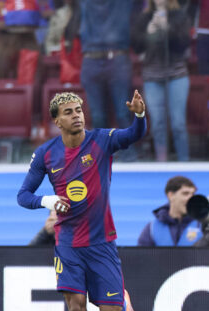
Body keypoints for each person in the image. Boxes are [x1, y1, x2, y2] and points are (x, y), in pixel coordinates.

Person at [17, 90, 146, 311]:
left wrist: (139, 115)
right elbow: (23, 196)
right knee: (76, 306)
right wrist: (47, 201)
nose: (76, 115)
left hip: (101, 242)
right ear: (56, 121)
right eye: (69, 112)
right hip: (68, 243)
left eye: (79, 110)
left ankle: (123, 304)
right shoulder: (46, 154)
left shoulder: (101, 140)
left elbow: (134, 134)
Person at [131, 0, 192, 162]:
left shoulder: (179, 16)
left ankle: (184, 162)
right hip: (152, 76)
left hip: (177, 74)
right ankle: (161, 162)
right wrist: (147, 34)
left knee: (178, 124)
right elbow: (136, 46)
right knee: (157, 124)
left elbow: (184, 43)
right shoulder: (144, 18)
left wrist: (167, 28)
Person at [79, 0, 137, 161]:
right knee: (97, 115)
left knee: (122, 112)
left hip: (117, 57)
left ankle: (129, 157)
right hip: (92, 58)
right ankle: (102, 156)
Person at [137, 175, 200, 246]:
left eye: (193, 194)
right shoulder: (152, 229)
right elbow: (141, 256)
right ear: (170, 195)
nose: (191, 198)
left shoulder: (203, 226)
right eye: (185, 193)